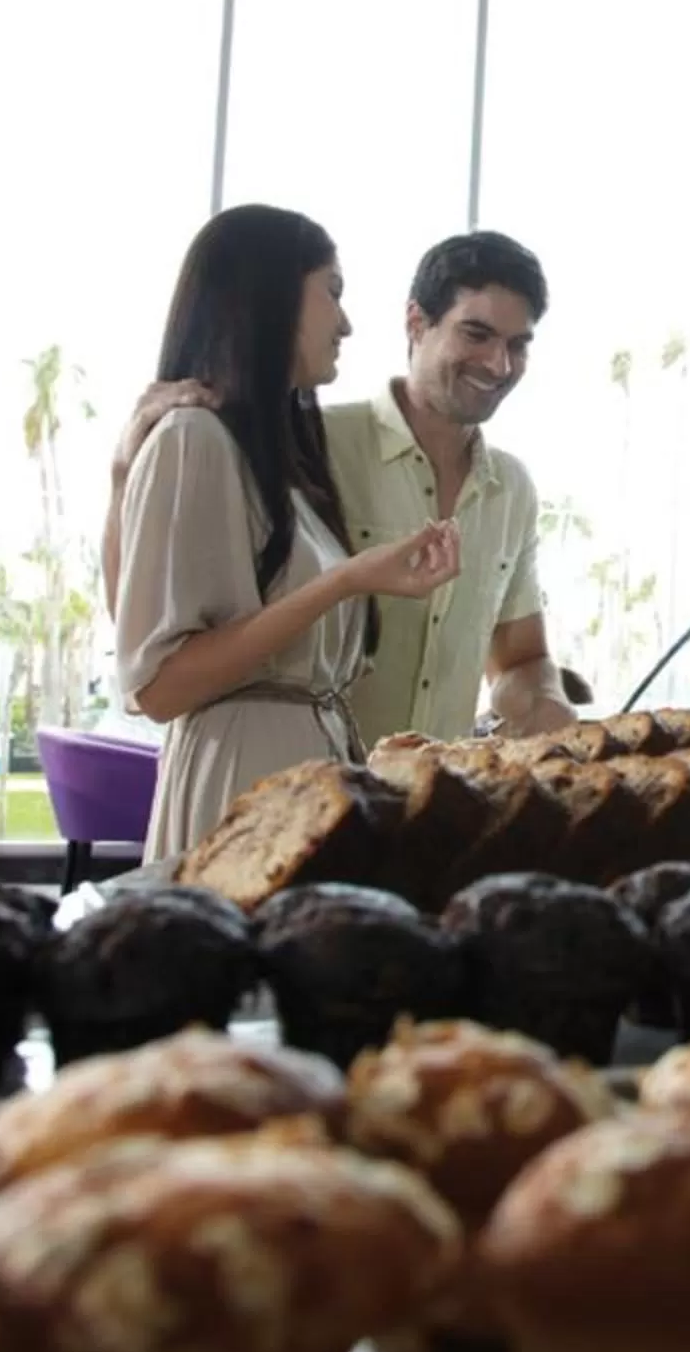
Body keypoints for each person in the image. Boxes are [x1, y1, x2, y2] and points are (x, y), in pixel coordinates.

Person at [106, 229, 572, 745]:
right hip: (308, 784)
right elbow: (152, 642)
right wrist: (125, 475)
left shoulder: (512, 489)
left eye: (518, 345)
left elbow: (520, 660)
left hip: (439, 809)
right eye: (476, 334)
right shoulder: (304, 446)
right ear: (416, 322)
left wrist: (548, 705)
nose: (499, 365)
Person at [112, 205, 463, 861]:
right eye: (332, 290)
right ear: (268, 292)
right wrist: (347, 581)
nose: (348, 322)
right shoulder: (195, 440)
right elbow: (160, 683)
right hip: (243, 790)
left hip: (296, 781)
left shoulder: (272, 460)